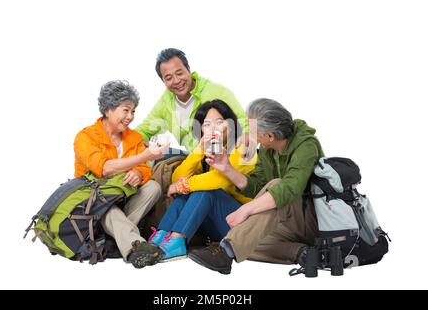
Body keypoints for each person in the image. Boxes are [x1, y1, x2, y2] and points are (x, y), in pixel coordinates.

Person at [187, 98, 324, 274]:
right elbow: (257, 187)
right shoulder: (268, 149)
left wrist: (246, 210)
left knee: (277, 185)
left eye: (253, 131)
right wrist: (227, 168)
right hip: (282, 222)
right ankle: (301, 252)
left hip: (308, 219)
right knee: (246, 244)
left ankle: (226, 253)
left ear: (270, 136)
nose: (249, 135)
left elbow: (290, 188)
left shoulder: (306, 145)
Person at [128, 100, 257, 268]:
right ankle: (159, 238)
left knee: (206, 192)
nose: (213, 129)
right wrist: (199, 150)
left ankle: (177, 241)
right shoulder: (207, 150)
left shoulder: (242, 148)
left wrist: (182, 186)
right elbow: (177, 177)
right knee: (190, 193)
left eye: (219, 122)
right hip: (219, 226)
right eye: (207, 124)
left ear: (231, 126)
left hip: (243, 225)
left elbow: (219, 182)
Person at [73, 80, 167, 262]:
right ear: (108, 109)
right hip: (94, 200)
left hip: (123, 196)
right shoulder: (85, 137)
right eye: (126, 110)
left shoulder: (134, 137)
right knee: (108, 207)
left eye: (133, 111)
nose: (130, 116)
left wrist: (139, 174)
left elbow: (145, 169)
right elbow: (104, 168)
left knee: (153, 187)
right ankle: (135, 247)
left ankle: (113, 240)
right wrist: (145, 156)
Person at [135, 48, 247, 153]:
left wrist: (245, 136)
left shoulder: (216, 92)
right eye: (169, 78)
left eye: (179, 73)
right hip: (192, 159)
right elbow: (143, 130)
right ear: (163, 81)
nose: (176, 81)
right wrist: (137, 144)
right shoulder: (165, 103)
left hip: (221, 155)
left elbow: (242, 121)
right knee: (155, 158)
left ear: (188, 69)